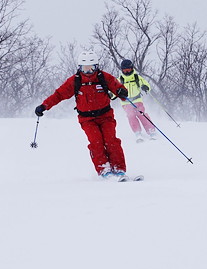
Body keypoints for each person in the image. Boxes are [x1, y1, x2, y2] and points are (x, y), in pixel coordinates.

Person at [35, 50, 130, 178]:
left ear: (97, 66)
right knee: (96, 142)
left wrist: (122, 92)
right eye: (85, 69)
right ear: (79, 68)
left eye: (92, 68)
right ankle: (104, 168)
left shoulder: (104, 77)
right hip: (87, 119)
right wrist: (44, 106)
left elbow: (118, 87)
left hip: (106, 116)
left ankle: (118, 168)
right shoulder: (75, 81)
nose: (88, 72)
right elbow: (59, 95)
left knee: (111, 141)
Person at [118, 59, 157, 142]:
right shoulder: (120, 80)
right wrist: (113, 94)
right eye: (125, 70)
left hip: (137, 99)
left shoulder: (137, 77)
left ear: (132, 68)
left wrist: (145, 87)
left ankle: (151, 130)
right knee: (131, 115)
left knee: (141, 113)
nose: (127, 72)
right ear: (122, 70)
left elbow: (146, 84)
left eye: (129, 70)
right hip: (126, 101)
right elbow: (114, 90)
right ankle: (137, 132)